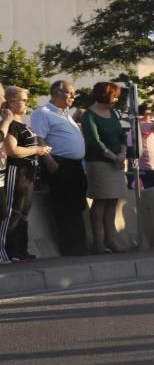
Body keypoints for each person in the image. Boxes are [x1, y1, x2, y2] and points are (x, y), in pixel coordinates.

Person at [28, 80, 88, 255]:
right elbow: (39, 139)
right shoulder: (43, 113)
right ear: (56, 93)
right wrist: (50, 162)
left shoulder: (66, 114)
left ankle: (80, 245)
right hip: (59, 164)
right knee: (65, 207)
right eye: (69, 93)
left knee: (77, 205)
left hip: (75, 166)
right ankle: (71, 248)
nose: (73, 96)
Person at [0, 86, 53, 262]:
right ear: (11, 101)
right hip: (17, 170)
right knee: (12, 211)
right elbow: (12, 150)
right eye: (23, 100)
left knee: (23, 212)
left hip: (29, 172)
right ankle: (7, 250)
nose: (26, 103)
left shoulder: (23, 124)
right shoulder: (11, 125)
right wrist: (37, 149)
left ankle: (21, 250)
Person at [80, 81, 128, 255]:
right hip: (99, 163)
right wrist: (113, 156)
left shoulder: (113, 113)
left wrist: (122, 153)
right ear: (105, 95)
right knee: (100, 201)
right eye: (114, 96)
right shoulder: (89, 116)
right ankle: (98, 242)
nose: (116, 100)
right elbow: (94, 141)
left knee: (113, 200)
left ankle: (111, 239)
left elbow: (121, 135)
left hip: (116, 162)